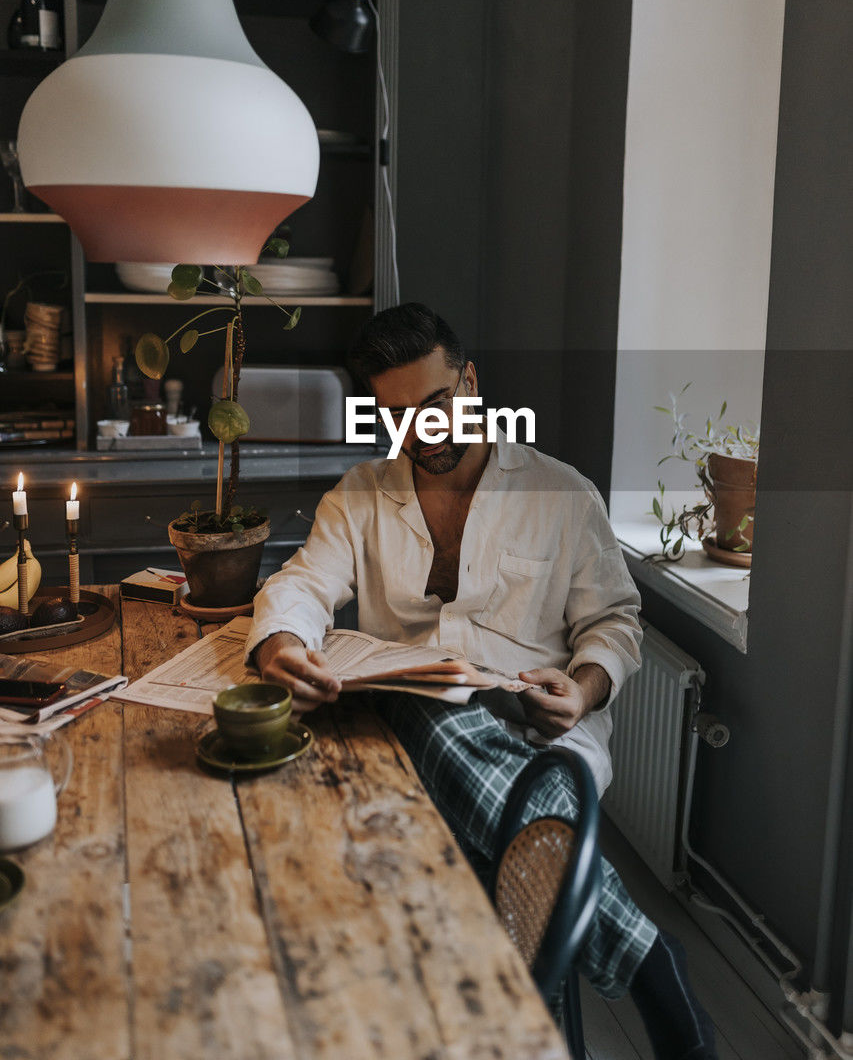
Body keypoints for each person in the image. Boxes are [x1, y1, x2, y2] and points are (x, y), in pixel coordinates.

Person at [246, 303, 718, 1060]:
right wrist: (279, 646)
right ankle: (646, 973)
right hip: (417, 722)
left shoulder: (563, 494)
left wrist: (585, 687)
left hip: (539, 729)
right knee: (446, 729)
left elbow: (614, 623)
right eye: (394, 416)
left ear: (469, 382)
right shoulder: (360, 495)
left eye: (434, 406)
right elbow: (301, 586)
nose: (420, 432)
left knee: (518, 791)